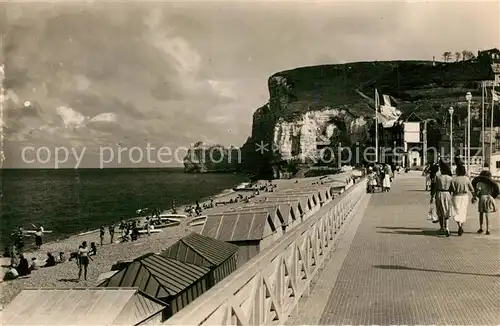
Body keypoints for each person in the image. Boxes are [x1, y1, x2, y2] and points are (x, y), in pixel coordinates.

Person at [471, 170, 499, 235]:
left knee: (481, 213)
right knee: (487, 214)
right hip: (489, 198)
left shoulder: (480, 183)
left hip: (482, 198)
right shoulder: (491, 184)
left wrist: (474, 196)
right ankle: (488, 229)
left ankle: (481, 228)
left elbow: (478, 191)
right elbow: (495, 190)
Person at [431, 160, 454, 237]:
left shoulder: (438, 177)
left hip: (439, 193)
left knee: (440, 210)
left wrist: (432, 197)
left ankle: (442, 228)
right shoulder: (450, 178)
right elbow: (453, 188)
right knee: (446, 210)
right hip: (447, 194)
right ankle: (447, 228)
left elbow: (435, 187)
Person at [451, 164, 474, 236]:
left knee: (456, 211)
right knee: (463, 212)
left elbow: (452, 189)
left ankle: (459, 225)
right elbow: (472, 189)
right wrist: (474, 196)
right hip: (465, 197)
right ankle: (462, 226)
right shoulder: (467, 179)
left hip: (456, 196)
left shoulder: (454, 179)